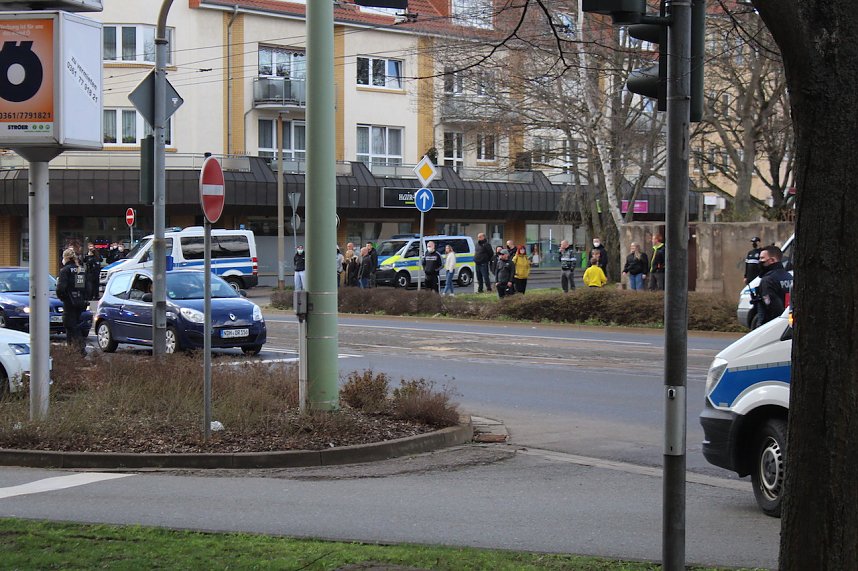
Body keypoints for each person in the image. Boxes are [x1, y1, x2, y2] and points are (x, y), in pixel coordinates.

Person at [55, 248, 88, 355]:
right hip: (79, 302)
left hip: (69, 302)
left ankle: (78, 350)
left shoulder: (65, 270)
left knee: (70, 325)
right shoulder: (80, 269)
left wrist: (63, 297)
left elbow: (61, 288)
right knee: (75, 325)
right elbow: (83, 287)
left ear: (66, 258)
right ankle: (74, 351)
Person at [756, 245, 794, 325]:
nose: (759, 261)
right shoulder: (789, 276)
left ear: (772, 260)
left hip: (771, 326)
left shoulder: (768, 280)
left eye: (762, 258)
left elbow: (772, 307)